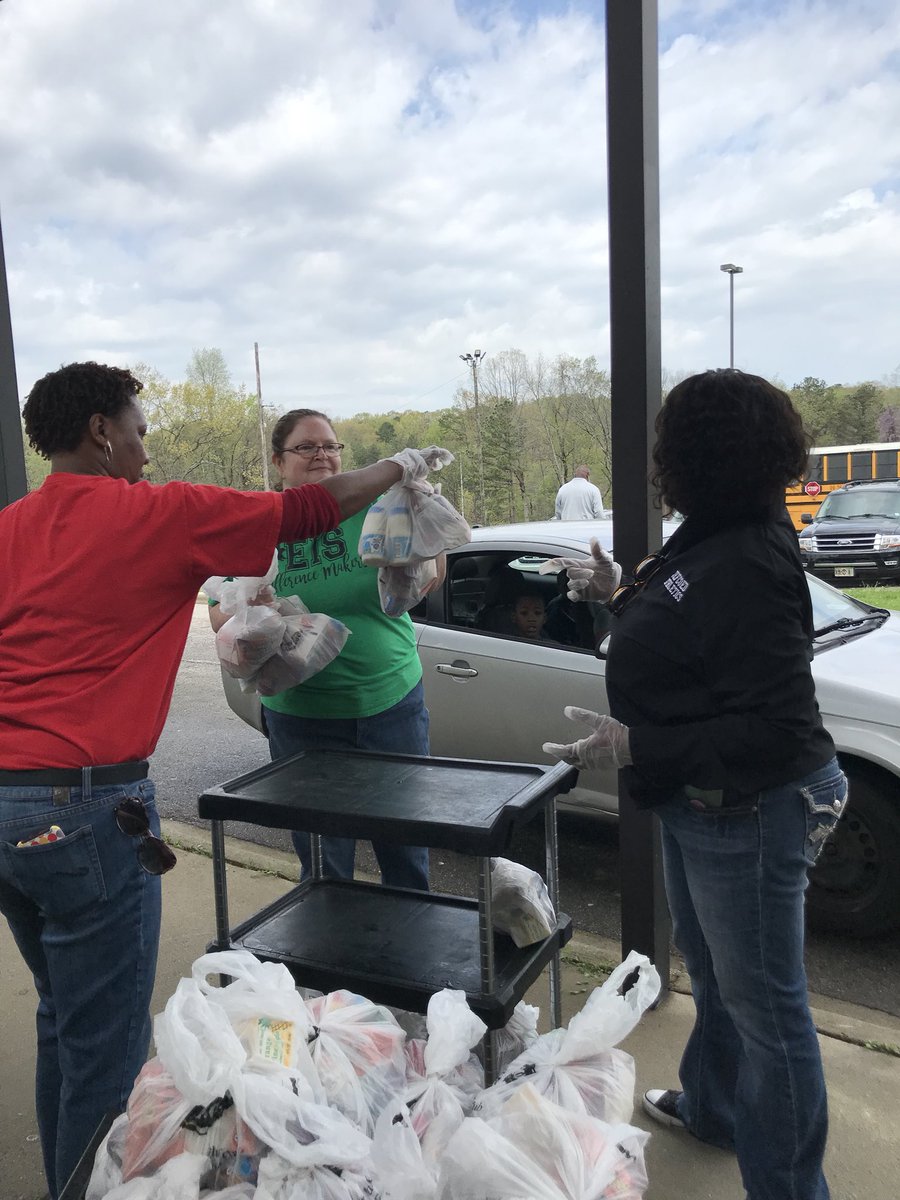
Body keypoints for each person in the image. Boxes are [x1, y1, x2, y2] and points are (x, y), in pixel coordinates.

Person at [0, 362, 444, 1200]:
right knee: (104, 1052)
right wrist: (400, 466)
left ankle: (65, 1183)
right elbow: (304, 510)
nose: (146, 446)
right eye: (138, 428)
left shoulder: (9, 527)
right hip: (87, 808)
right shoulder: (155, 512)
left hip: (8, 805)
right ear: (101, 431)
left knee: (63, 1017)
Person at [543, 369, 845, 1200]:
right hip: (702, 803)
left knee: (769, 1016)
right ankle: (716, 1108)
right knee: (714, 977)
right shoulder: (716, 532)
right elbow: (693, 628)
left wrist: (638, 742)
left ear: (695, 455)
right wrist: (619, 594)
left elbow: (773, 729)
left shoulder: (748, 557)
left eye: (667, 443)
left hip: (750, 811)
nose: (657, 458)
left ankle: (789, 1189)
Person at [209, 408, 443, 891]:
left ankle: (406, 936)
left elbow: (432, 573)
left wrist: (423, 541)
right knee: (322, 859)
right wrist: (252, 611)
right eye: (306, 447)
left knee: (405, 847)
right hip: (301, 718)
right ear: (278, 461)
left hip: (391, 706)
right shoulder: (259, 523)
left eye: (331, 446)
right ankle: (332, 937)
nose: (322, 455)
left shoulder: (376, 507)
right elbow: (219, 613)